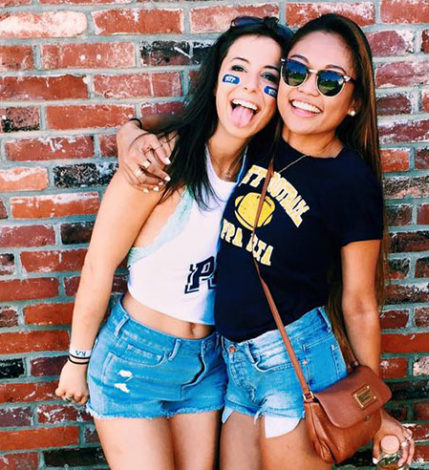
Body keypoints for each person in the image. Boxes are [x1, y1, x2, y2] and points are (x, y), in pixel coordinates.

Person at [119, 13, 416, 470]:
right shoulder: (260, 136)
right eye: (295, 72)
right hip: (236, 364)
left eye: (330, 81)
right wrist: (132, 133)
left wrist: (368, 403)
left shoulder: (350, 182)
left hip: (296, 364)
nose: (307, 89)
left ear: (354, 101)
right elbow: (195, 120)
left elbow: (358, 302)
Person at [54, 17, 291, 470]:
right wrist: (76, 360)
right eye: (237, 70)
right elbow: (99, 265)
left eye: (269, 77)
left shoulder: (264, 170)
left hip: (208, 365)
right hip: (134, 361)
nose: (249, 86)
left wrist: (130, 128)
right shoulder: (161, 160)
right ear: (216, 79)